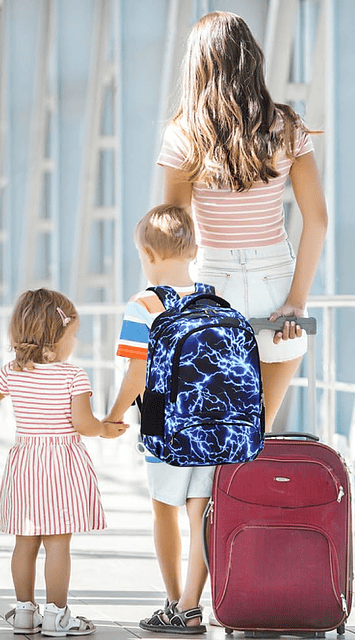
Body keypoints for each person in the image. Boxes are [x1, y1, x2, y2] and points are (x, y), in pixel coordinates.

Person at [158, 10, 328, 431]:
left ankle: (211, 500)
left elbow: (176, 233)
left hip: (214, 284)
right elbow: (318, 220)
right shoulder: (286, 126)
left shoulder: (183, 135)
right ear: (251, 57)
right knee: (255, 436)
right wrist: (297, 302)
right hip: (278, 288)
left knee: (213, 433)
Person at [0, 288, 128, 637]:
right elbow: (83, 424)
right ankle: (57, 616)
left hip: (26, 463)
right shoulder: (73, 376)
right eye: (73, 335)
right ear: (55, 339)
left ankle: (24, 612)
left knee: (25, 542)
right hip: (61, 467)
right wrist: (106, 430)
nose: (76, 342)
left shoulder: (13, 372)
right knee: (57, 544)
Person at [104, 204, 212, 634]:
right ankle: (192, 604)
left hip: (164, 430)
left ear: (147, 255)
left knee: (164, 510)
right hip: (212, 429)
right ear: (194, 249)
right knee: (200, 512)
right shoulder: (212, 299)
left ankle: (173, 603)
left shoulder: (143, 305)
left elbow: (136, 373)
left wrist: (113, 417)